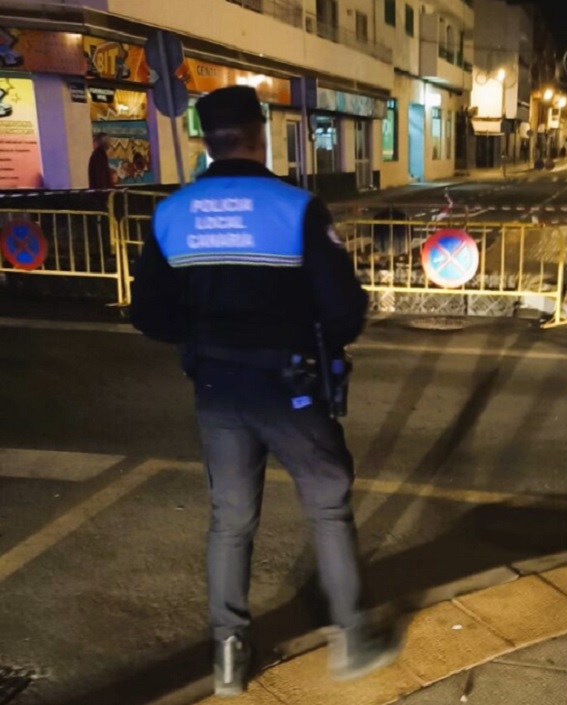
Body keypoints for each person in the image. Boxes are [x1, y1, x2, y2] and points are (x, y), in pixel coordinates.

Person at [129, 85, 400, 697]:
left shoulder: (173, 213)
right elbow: (345, 310)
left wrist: (197, 341)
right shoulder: (296, 207)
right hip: (292, 385)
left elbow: (147, 311)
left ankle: (228, 656)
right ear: (259, 134)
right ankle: (353, 638)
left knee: (230, 519)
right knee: (327, 505)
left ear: (204, 140)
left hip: (218, 388)